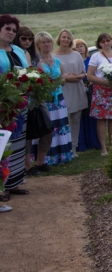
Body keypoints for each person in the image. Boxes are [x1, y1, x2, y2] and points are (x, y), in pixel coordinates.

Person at [31, 31, 74, 166]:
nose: (47, 44)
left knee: (60, 127)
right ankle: (45, 158)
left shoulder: (57, 61)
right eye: (43, 42)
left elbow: (63, 78)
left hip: (58, 98)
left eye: (48, 41)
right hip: (44, 99)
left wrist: (61, 80)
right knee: (47, 128)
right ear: (38, 44)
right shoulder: (36, 62)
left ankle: (63, 155)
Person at [0, 15, 31, 203]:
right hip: (2, 106)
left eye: (13, 30)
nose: (11, 32)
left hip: (19, 105)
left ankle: (13, 182)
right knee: (2, 146)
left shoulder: (18, 50)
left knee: (17, 145)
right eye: (7, 28)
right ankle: (1, 186)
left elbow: (28, 73)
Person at [54, 29, 88, 157]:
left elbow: (84, 73)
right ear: (59, 38)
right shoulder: (53, 55)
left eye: (68, 37)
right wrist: (66, 78)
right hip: (62, 89)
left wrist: (78, 76)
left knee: (75, 120)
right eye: (63, 37)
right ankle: (62, 148)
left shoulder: (76, 55)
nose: (66, 39)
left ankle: (73, 148)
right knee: (62, 121)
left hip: (76, 88)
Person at [13, 25, 38, 174]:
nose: (27, 41)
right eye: (24, 38)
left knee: (26, 132)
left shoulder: (27, 53)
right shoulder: (15, 52)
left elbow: (30, 73)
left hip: (28, 96)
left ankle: (26, 164)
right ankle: (24, 165)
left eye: (30, 38)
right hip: (13, 96)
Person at [74, 38, 101, 152]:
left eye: (82, 46)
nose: (80, 49)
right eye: (77, 47)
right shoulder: (74, 60)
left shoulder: (91, 59)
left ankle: (94, 141)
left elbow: (97, 73)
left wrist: (92, 81)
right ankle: (81, 142)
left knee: (92, 114)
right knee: (80, 115)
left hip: (91, 89)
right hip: (78, 89)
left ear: (85, 48)